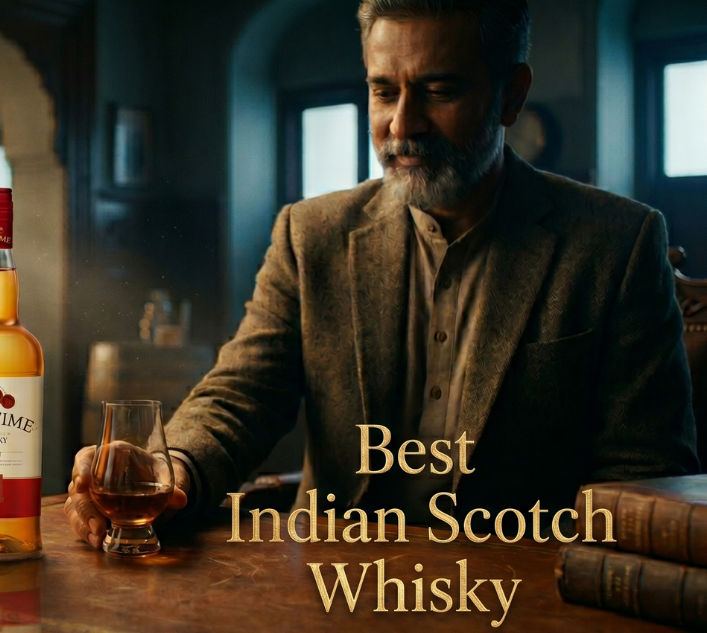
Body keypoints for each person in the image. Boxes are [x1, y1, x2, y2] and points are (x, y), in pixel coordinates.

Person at [66, 0, 700, 547]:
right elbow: (241, 396)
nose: (402, 125)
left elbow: (643, 472)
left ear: (511, 94)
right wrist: (168, 467)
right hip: (334, 593)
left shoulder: (616, 242)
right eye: (383, 90)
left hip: (521, 601)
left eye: (439, 90)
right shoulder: (310, 234)